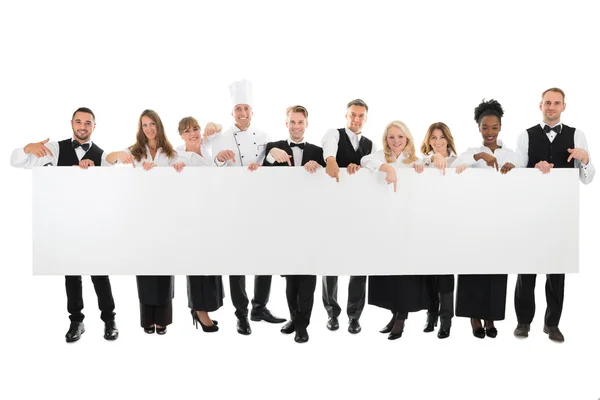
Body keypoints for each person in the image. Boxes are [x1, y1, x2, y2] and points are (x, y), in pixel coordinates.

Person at [10, 107, 119, 343]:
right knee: (72, 274)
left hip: (93, 223)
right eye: (78, 121)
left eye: (87, 123)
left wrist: (95, 175)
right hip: (66, 222)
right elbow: (17, 162)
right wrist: (27, 148)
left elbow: (112, 190)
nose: (82, 126)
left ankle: (109, 320)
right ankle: (76, 321)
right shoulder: (55, 149)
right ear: (71, 123)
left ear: (94, 126)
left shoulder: (103, 156)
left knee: (100, 273)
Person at [202, 79, 285, 335]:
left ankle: (260, 307)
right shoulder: (220, 137)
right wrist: (219, 158)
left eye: (246, 109)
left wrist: (267, 162)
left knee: (265, 258)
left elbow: (271, 165)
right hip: (232, 207)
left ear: (252, 112)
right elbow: (206, 162)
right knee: (236, 261)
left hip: (260, 205)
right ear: (232, 113)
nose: (242, 113)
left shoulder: (265, 137)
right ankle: (241, 314)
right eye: (238, 109)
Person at [513, 88, 595, 342]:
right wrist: (533, 168)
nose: (551, 107)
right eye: (547, 102)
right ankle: (523, 322)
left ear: (563, 106)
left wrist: (585, 159)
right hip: (531, 212)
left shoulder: (577, 134)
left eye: (556, 103)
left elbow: (588, 179)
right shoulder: (525, 136)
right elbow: (515, 176)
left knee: (556, 269)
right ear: (540, 106)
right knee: (527, 268)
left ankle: (552, 323)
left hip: (562, 213)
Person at [106, 109, 185, 335]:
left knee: (163, 270)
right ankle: (147, 321)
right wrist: (120, 157)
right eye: (145, 125)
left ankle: (162, 321)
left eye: (152, 124)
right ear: (140, 129)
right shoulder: (135, 151)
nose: (149, 129)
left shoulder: (172, 153)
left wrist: (171, 170)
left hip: (166, 217)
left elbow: (182, 180)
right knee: (145, 270)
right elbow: (108, 160)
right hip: (140, 218)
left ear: (159, 126)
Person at [453, 99, 516, 339]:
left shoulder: (511, 153)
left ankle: (490, 317)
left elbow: (524, 176)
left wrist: (514, 167)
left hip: (500, 220)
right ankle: (474, 318)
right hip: (474, 220)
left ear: (500, 127)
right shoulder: (470, 152)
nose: (489, 132)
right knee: (473, 269)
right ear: (478, 128)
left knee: (495, 270)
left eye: (494, 127)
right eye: (484, 128)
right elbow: (458, 165)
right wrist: (480, 155)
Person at [262, 105, 326, 343]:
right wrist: (271, 157)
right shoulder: (272, 147)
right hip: (284, 222)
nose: (296, 126)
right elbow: (264, 173)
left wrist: (318, 169)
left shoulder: (318, 152)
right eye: (292, 122)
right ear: (286, 123)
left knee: (307, 276)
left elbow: (328, 183)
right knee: (290, 276)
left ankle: (302, 325)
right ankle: (294, 317)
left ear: (307, 124)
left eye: (300, 122)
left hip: (310, 223)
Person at [361, 120, 428, 340]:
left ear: (407, 138)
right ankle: (393, 314)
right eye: (391, 137)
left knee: (406, 275)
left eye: (400, 136)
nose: (396, 141)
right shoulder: (381, 156)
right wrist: (387, 167)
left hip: (409, 225)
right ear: (386, 140)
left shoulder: (414, 160)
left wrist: (429, 162)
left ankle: (401, 319)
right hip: (386, 225)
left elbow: (431, 163)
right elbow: (365, 160)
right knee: (389, 273)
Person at [321, 99, 374, 334]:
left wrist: (362, 168)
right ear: (346, 115)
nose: (356, 119)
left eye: (361, 115)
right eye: (353, 114)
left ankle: (354, 316)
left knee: (359, 264)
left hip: (359, 212)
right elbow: (328, 146)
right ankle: (332, 313)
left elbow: (373, 166)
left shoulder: (371, 144)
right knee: (330, 262)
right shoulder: (334, 134)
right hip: (331, 210)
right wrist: (331, 161)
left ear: (366, 118)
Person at [176, 116, 224, 332]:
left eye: (195, 129)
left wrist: (213, 126)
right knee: (195, 263)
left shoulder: (205, 146)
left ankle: (207, 306)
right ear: (181, 135)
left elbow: (218, 130)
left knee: (211, 261)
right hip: (191, 216)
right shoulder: (177, 155)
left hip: (211, 213)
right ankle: (198, 310)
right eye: (187, 131)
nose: (193, 133)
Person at [414, 122, 458, 338]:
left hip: (449, 224)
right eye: (433, 138)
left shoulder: (458, 162)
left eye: (442, 138)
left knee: (446, 275)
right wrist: (431, 159)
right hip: (426, 224)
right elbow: (416, 166)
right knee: (428, 274)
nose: (438, 142)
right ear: (428, 141)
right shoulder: (423, 161)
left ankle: (446, 320)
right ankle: (431, 315)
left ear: (448, 139)